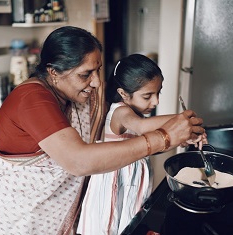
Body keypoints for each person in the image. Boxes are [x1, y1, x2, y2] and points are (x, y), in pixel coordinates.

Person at [0, 26, 206, 235]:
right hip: (12, 216)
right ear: (53, 72)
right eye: (85, 74)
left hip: (49, 214)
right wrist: (165, 137)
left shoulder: (80, 96)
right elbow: (78, 160)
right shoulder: (32, 99)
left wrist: (179, 135)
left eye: (97, 70)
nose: (96, 82)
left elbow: (112, 147)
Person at [76, 54, 207, 234]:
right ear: (123, 93)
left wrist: (181, 138)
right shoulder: (121, 112)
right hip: (115, 187)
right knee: (110, 226)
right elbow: (142, 126)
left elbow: (153, 146)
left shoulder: (135, 112)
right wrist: (181, 120)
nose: (156, 101)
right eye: (148, 96)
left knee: (130, 226)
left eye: (158, 93)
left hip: (131, 186)